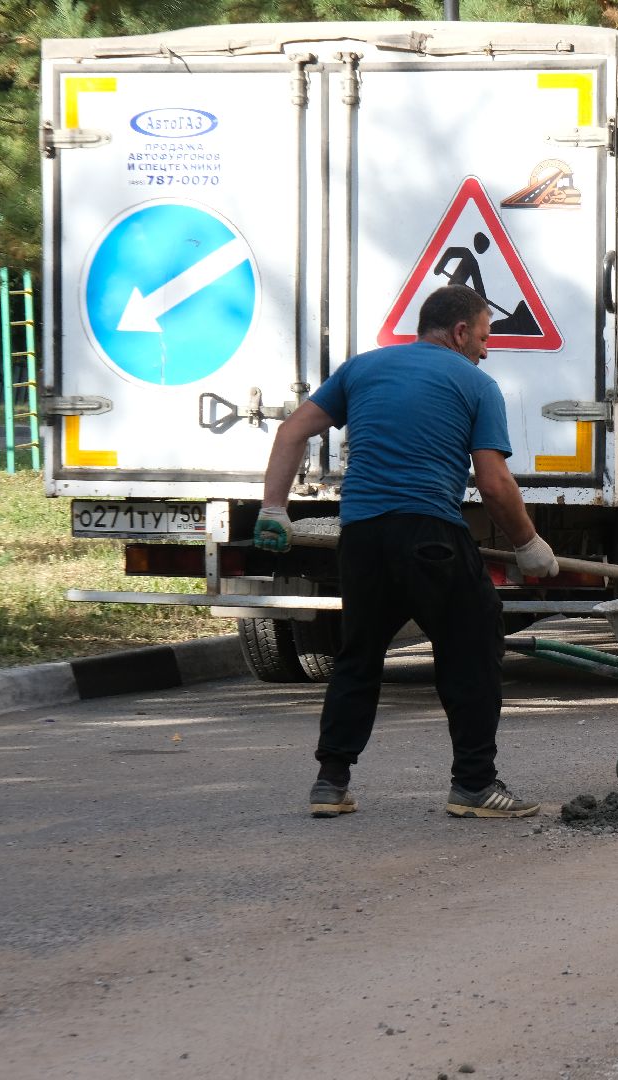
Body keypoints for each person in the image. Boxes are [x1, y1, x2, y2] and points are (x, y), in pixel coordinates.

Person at [253, 284, 559, 820]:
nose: (487, 350)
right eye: (485, 336)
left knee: (359, 654)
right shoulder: (477, 384)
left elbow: (292, 430)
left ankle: (331, 782)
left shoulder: (362, 369)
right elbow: (492, 482)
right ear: (461, 332)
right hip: (429, 535)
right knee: (471, 648)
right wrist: (529, 544)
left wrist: (274, 509)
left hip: (363, 537)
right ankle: (474, 785)